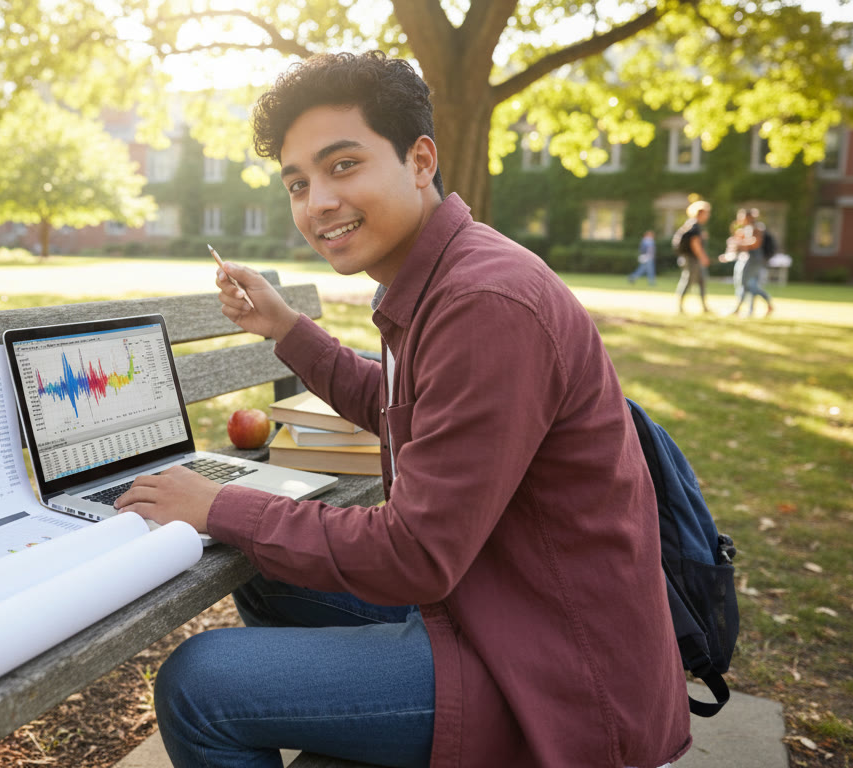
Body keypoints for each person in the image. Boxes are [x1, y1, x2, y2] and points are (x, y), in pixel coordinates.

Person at [113, 52, 689, 768]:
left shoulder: (484, 302)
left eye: (343, 165)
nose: (316, 201)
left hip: (553, 672)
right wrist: (287, 328)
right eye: (297, 182)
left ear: (420, 160)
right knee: (271, 575)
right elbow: (397, 409)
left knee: (199, 686)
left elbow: (415, 556)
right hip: (492, 602)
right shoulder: (439, 279)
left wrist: (220, 506)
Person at [726, 209, 775, 318]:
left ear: (747, 217)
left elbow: (756, 243)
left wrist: (740, 243)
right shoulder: (747, 228)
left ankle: (739, 308)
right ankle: (750, 310)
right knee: (750, 284)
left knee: (745, 284)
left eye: (741, 217)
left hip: (753, 260)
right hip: (751, 259)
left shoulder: (756, 228)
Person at [674, 200, 713, 314]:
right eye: (706, 213)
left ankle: (704, 307)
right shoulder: (694, 226)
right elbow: (695, 244)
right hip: (691, 258)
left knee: (701, 281)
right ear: (700, 213)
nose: (708, 216)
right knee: (688, 281)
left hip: (691, 258)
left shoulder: (692, 225)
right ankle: (680, 306)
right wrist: (703, 257)